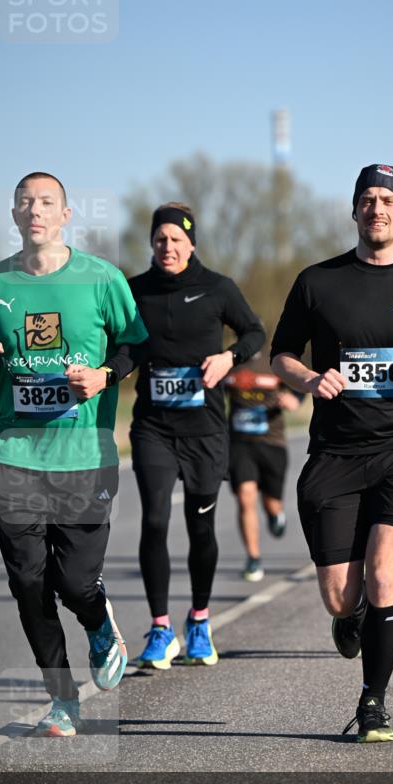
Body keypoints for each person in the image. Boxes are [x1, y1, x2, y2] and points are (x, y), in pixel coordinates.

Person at [271, 165, 393, 742]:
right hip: (335, 452)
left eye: (387, 200)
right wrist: (308, 380)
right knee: (341, 596)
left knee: (386, 573)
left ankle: (373, 701)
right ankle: (351, 617)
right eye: (367, 200)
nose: (376, 209)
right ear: (353, 210)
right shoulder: (317, 281)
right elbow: (281, 354)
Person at [0, 172, 148, 737]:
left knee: (73, 583)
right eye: (25, 202)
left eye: (47, 202)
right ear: (14, 214)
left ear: (66, 215)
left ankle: (98, 622)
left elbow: (136, 343)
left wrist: (103, 374)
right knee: (27, 583)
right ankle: (62, 699)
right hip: (16, 452)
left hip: (85, 452)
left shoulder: (102, 279)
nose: (35, 210)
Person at [128, 203, 265, 670]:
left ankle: (200, 621)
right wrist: (109, 370)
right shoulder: (136, 291)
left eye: (176, 239)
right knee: (154, 521)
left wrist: (229, 358)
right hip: (153, 427)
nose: (168, 247)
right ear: (152, 243)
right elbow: (126, 348)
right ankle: (161, 628)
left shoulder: (217, 288)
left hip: (205, 429)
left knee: (200, 525)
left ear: (191, 244)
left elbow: (254, 332)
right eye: (160, 239)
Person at [225, 359, 302, 581]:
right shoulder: (230, 362)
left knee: (271, 503)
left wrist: (293, 399)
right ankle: (253, 558)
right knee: (245, 497)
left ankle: (275, 514)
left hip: (272, 444)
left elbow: (301, 385)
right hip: (240, 444)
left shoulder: (274, 362)